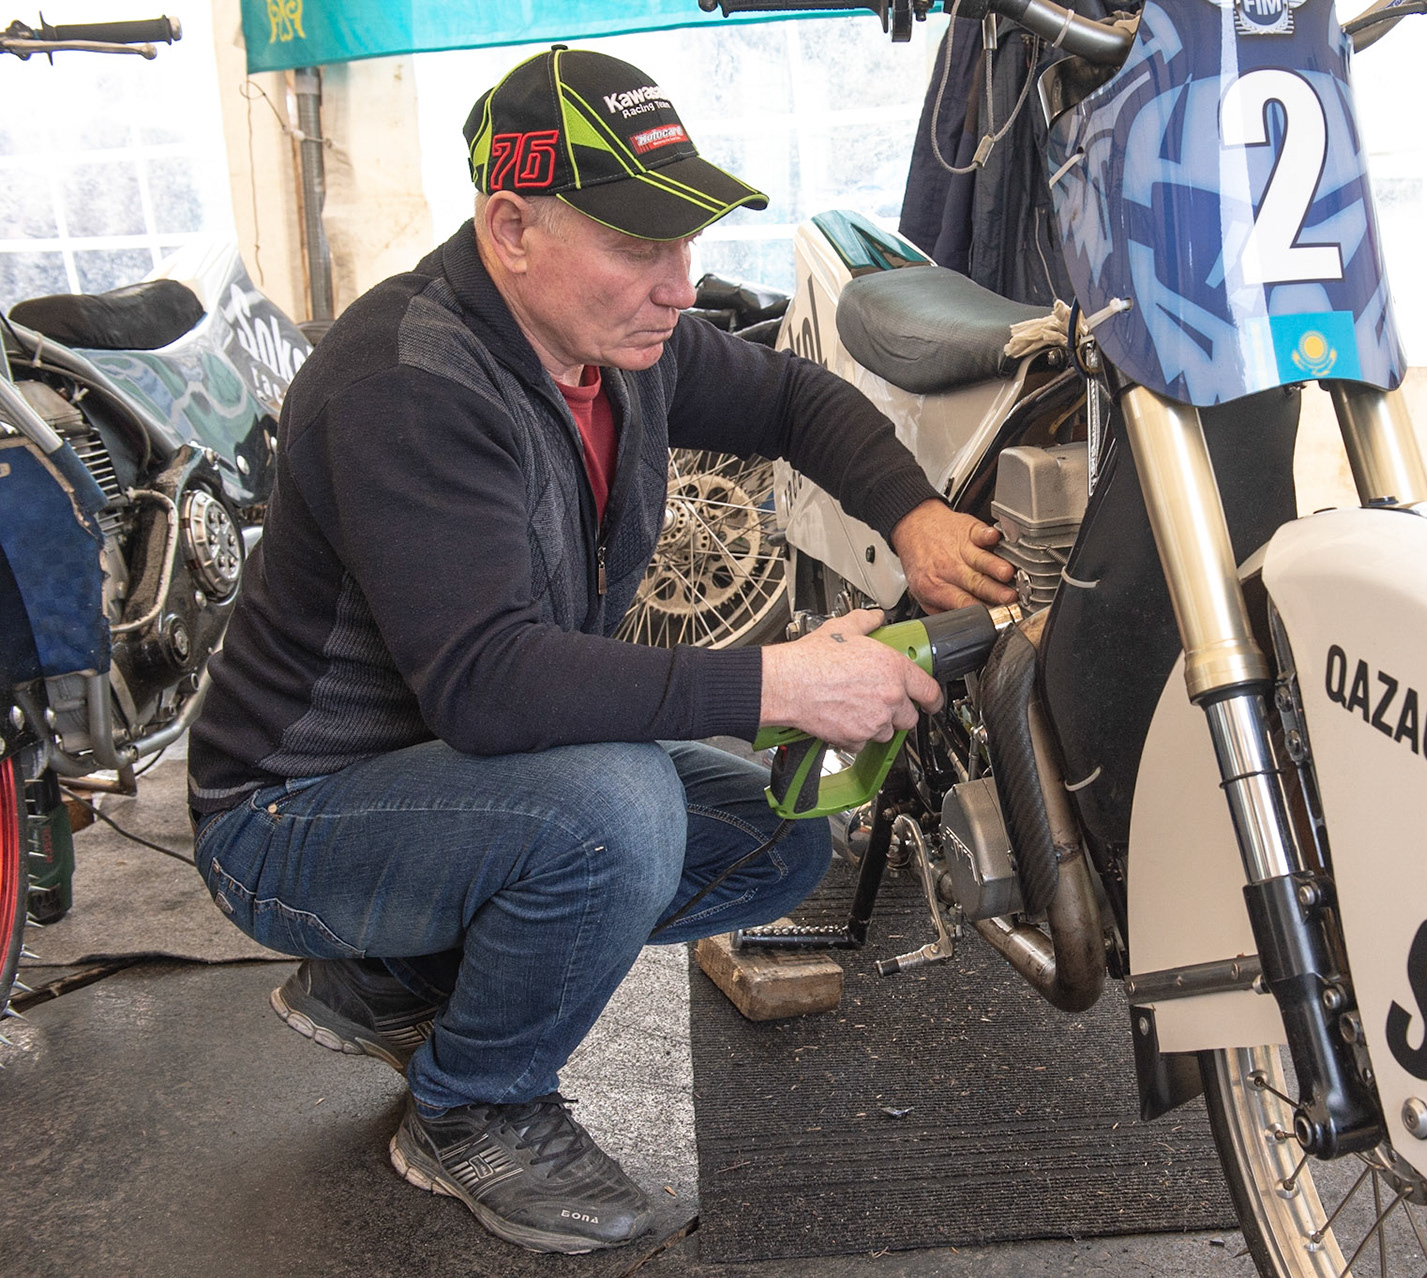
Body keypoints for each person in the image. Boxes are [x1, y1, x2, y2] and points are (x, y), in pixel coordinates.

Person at [188, 46, 1017, 1256]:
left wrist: (912, 513)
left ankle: (393, 980)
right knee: (614, 812)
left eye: (684, 244)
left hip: (464, 784)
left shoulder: (615, 343)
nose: (680, 288)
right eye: (638, 247)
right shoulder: (409, 383)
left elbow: (794, 401)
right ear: (509, 226)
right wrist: (781, 680)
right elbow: (491, 684)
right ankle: (472, 1112)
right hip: (289, 817)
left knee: (778, 835)